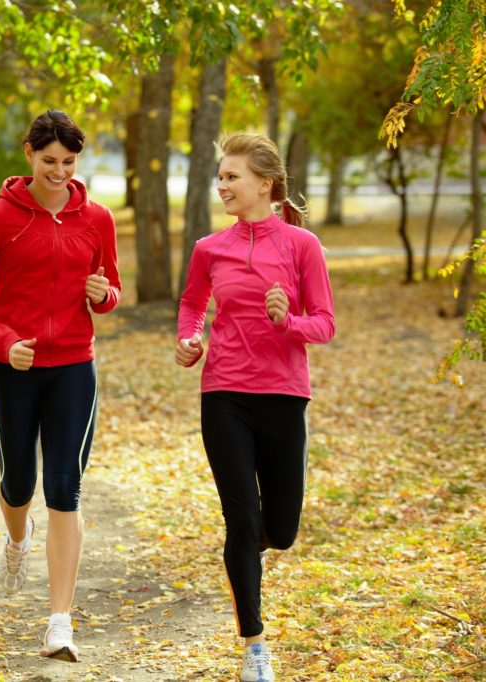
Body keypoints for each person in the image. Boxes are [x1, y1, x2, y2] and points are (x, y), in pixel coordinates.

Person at [0, 110, 121, 663]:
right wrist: (4, 344)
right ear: (29, 154)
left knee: (64, 488)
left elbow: (112, 289)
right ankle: (17, 539)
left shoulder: (96, 218)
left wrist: (103, 296)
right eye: (50, 161)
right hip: (14, 369)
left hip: (74, 366)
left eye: (69, 163)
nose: (60, 173)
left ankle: (60, 624)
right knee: (19, 483)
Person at [176, 132, 335, 681]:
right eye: (220, 177)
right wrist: (190, 339)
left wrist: (286, 319)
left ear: (264, 184)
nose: (222, 185)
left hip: (284, 396)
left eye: (231, 177)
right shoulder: (208, 249)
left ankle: (246, 547)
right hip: (223, 395)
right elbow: (194, 302)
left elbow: (326, 322)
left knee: (282, 530)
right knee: (242, 517)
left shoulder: (301, 246)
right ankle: (254, 646)